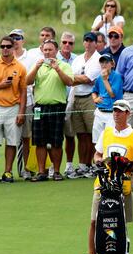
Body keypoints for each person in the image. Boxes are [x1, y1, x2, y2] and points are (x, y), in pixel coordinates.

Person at [78, 99, 133, 254]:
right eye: (115, 110)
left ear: (128, 114)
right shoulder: (106, 132)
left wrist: (126, 164)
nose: (116, 113)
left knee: (121, 223)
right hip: (103, 184)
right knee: (94, 221)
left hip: (124, 185)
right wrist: (100, 162)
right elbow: (97, 154)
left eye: (120, 111)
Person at [26, 39, 74, 182]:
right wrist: (35, 67)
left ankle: (57, 171)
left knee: (56, 141)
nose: (47, 52)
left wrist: (57, 69)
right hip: (39, 107)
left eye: (50, 50)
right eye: (45, 50)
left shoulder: (63, 65)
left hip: (57, 107)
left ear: (56, 51)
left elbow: (69, 82)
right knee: (39, 141)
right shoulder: (38, 65)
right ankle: (42, 172)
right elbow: (27, 81)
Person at [68, 32, 101, 179]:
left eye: (91, 41)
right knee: (81, 134)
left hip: (90, 98)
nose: (88, 43)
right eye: (86, 41)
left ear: (96, 43)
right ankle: (83, 165)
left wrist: (73, 79)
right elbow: (73, 78)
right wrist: (75, 79)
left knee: (93, 134)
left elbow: (89, 78)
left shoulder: (98, 59)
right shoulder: (78, 59)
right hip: (76, 97)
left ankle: (95, 165)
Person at [0, 36, 27, 183]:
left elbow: (23, 92)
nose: (5, 49)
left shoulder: (20, 67)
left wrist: (21, 112)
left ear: (14, 47)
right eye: (3, 46)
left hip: (13, 108)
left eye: (8, 46)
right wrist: (1, 85)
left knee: (11, 142)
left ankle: (7, 172)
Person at [9, 29, 36, 180]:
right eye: (12, 38)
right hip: (9, 103)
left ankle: (26, 169)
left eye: (18, 38)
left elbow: (32, 81)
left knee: (27, 137)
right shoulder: (6, 57)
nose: (15, 40)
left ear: (23, 40)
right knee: (12, 138)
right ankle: (9, 170)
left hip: (28, 102)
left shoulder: (30, 57)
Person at [57, 32, 78, 177]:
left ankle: (69, 165)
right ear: (60, 43)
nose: (67, 45)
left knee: (70, 135)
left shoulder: (77, 59)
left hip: (71, 101)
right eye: (64, 42)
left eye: (70, 43)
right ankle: (53, 166)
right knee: (55, 137)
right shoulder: (53, 58)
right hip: (56, 101)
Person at [91, 53, 123, 144]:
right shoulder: (99, 77)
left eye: (106, 62)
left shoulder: (117, 76)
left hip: (111, 113)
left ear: (112, 64)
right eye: (102, 62)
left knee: (110, 141)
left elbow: (112, 94)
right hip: (100, 111)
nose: (103, 65)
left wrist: (105, 79)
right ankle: (98, 158)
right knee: (97, 142)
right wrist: (95, 99)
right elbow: (94, 91)